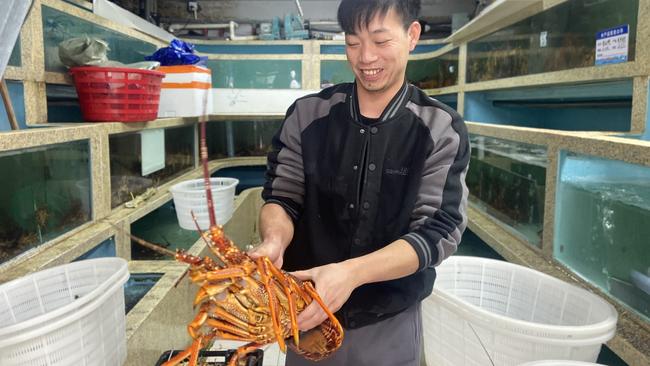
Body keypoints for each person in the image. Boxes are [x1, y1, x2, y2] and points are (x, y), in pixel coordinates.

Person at [250, 0, 470, 365]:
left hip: (389, 321)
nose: (365, 57)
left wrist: (351, 274)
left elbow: (438, 230)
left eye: (381, 41)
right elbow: (282, 195)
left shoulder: (439, 128)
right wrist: (274, 239)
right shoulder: (307, 115)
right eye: (353, 42)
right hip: (306, 315)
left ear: (411, 35)